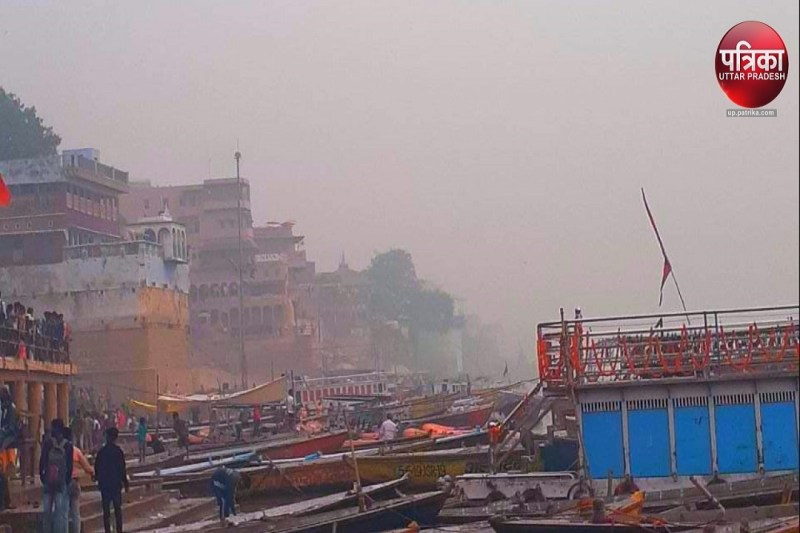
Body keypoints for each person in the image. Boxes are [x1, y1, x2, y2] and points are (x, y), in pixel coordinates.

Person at [40, 418, 74, 533]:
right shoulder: (68, 445)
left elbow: (42, 461)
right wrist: (67, 480)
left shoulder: (47, 443)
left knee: (47, 512)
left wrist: (43, 477)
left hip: (48, 481)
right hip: (61, 482)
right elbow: (70, 466)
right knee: (60, 512)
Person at [94, 427, 129, 533]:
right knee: (117, 509)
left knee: (106, 511)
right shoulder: (118, 452)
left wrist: (98, 480)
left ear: (108, 437)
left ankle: (107, 530)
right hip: (116, 484)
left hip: (105, 485)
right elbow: (122, 469)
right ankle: (119, 530)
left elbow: (97, 467)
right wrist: (126, 483)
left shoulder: (102, 452)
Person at [63, 428, 94, 533]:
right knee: (75, 513)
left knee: (64, 513)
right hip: (74, 482)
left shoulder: (58, 450)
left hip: (62, 483)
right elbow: (87, 468)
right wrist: (93, 473)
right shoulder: (75, 451)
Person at [0, 385, 20, 511]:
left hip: (10, 440)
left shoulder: (11, 409)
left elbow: (12, 429)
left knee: (4, 475)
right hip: (3, 438)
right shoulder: (3, 408)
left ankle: (5, 502)